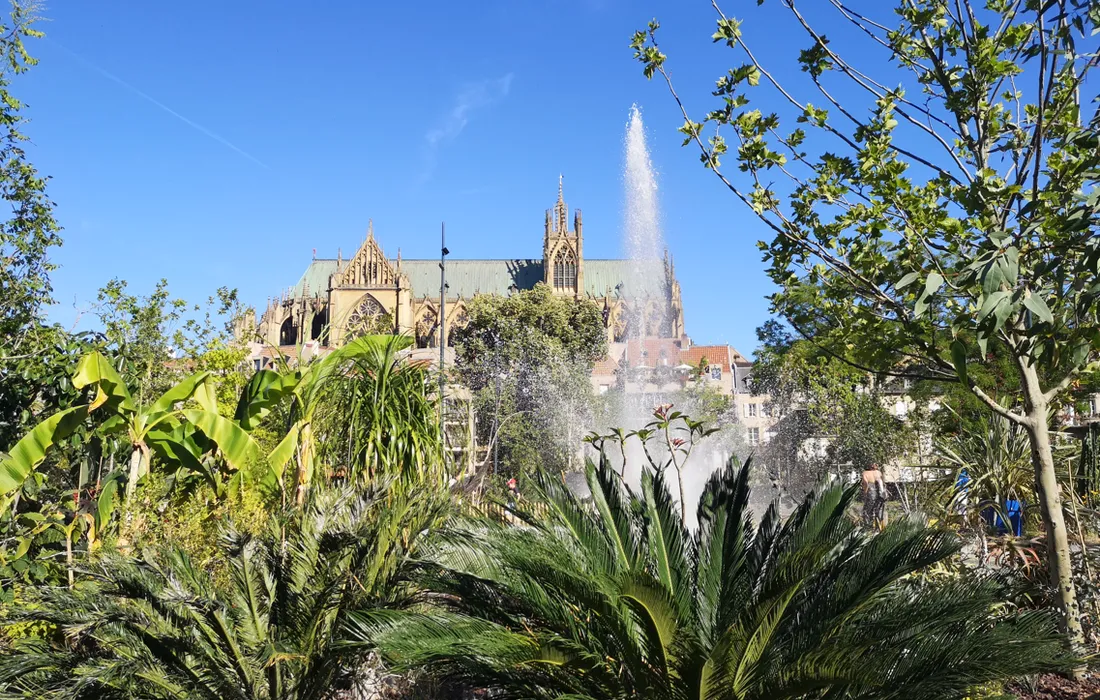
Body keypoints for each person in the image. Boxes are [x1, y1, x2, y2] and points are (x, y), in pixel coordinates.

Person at [861, 463, 888, 529]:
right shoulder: (878, 472)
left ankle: (868, 528)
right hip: (880, 494)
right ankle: (880, 528)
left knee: (867, 512)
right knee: (879, 511)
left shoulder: (865, 473)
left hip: (871, 493)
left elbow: (866, 483)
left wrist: (865, 493)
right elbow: (881, 482)